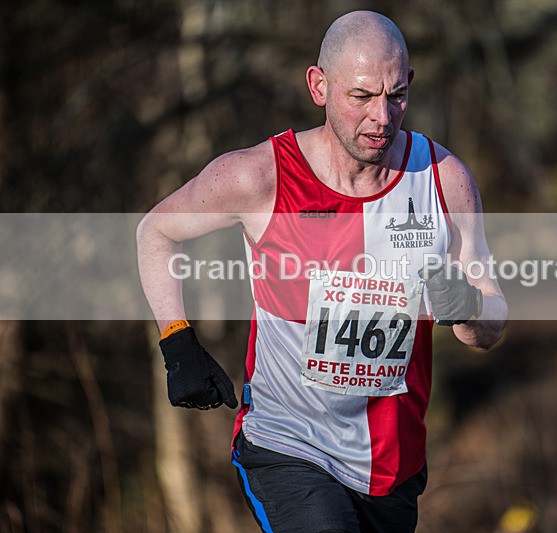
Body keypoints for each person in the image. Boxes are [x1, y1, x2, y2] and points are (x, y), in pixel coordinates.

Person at [137, 10, 507, 533]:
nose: (382, 116)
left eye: (396, 95)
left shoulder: (443, 180)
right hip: (289, 446)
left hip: (392, 466)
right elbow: (155, 230)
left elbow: (491, 319)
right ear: (319, 86)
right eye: (361, 97)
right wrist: (177, 341)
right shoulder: (257, 177)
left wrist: (465, 306)